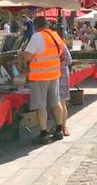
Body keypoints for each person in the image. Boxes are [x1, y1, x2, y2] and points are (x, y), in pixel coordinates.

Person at [20, 16, 65, 144]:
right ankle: (59, 129)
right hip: (54, 74)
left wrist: (22, 53)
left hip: (40, 76)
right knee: (55, 103)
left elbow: (28, 57)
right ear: (46, 24)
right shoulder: (55, 35)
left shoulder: (37, 36)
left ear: (35, 26)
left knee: (41, 106)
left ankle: (44, 133)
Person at [51, 24, 73, 137]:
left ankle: (63, 126)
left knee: (62, 102)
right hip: (52, 75)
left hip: (62, 75)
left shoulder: (61, 44)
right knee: (55, 103)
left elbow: (69, 59)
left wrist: (58, 65)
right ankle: (57, 126)